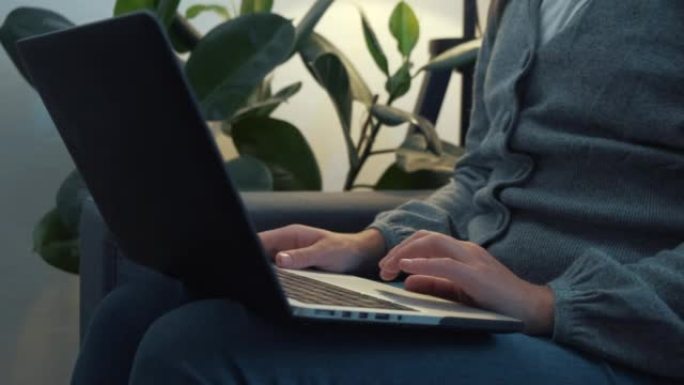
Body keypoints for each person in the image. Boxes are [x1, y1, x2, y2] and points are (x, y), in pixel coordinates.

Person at [71, 0, 684, 384]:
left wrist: (547, 304)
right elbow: (480, 175)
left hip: (614, 345)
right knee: (143, 302)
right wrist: (368, 243)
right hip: (474, 312)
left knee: (196, 347)